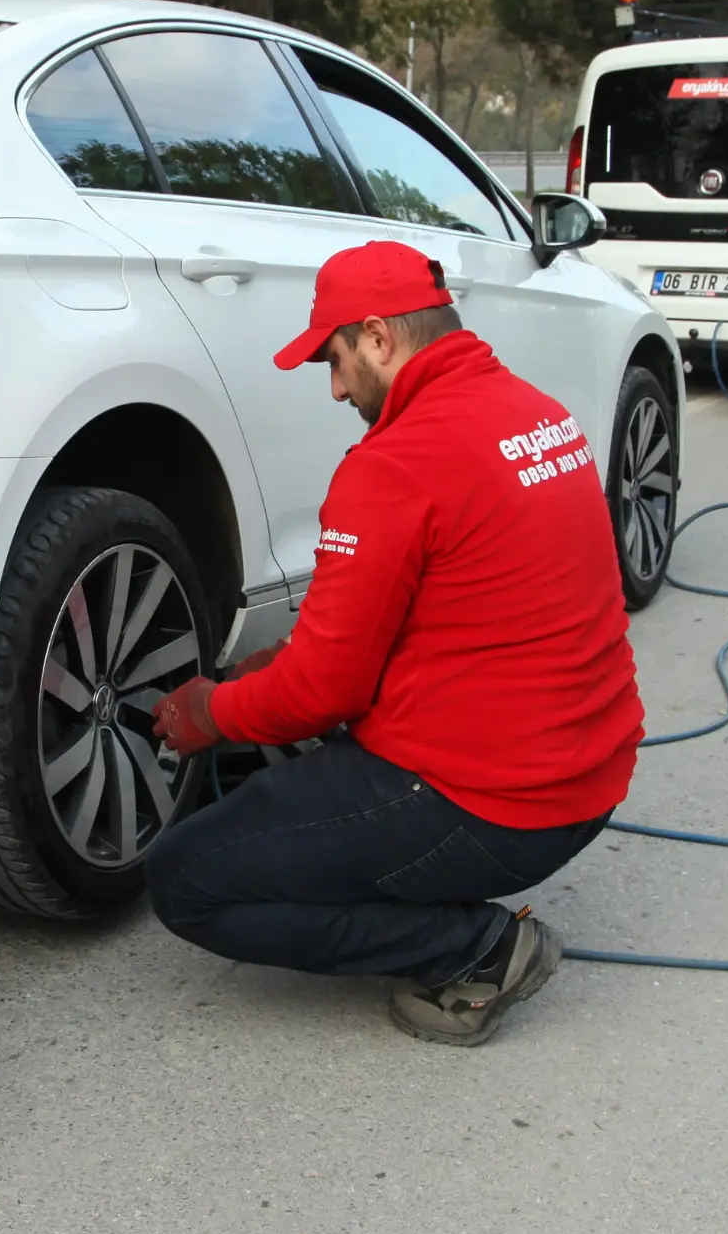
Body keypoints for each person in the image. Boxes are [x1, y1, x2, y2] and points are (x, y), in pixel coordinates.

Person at [145, 239, 644, 1045]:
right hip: (589, 782)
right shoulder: (536, 414)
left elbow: (322, 696)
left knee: (186, 882)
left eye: (337, 360)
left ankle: (477, 948)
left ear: (380, 336)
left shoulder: (395, 464)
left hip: (488, 803)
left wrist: (213, 709)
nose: (338, 387)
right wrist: (279, 666)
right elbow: (436, 605)